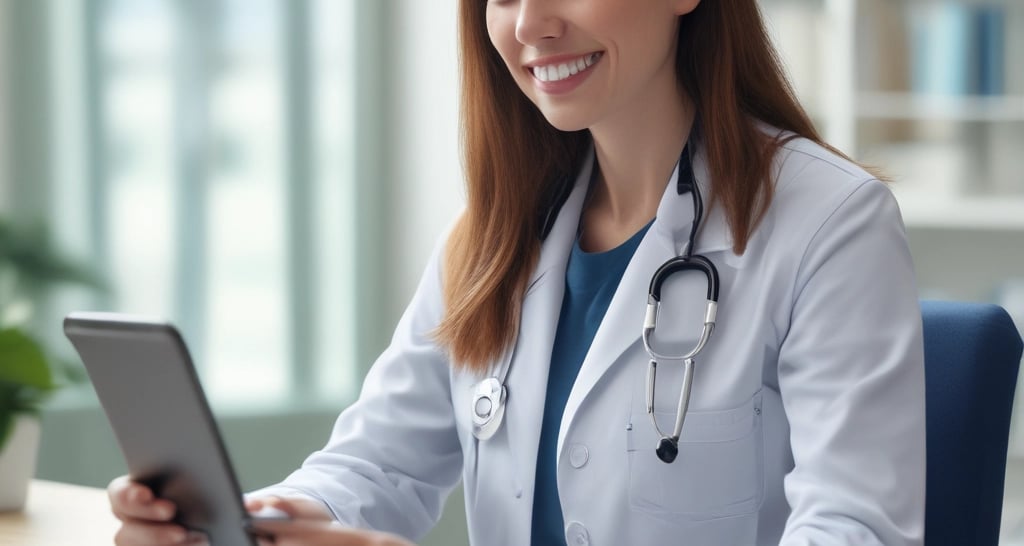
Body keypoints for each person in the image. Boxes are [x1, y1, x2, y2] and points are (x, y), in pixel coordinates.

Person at [107, 0, 926, 544]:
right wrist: (240, 523)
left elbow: (853, 531)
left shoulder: (830, 226)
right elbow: (375, 465)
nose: (531, 23)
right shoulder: (495, 236)